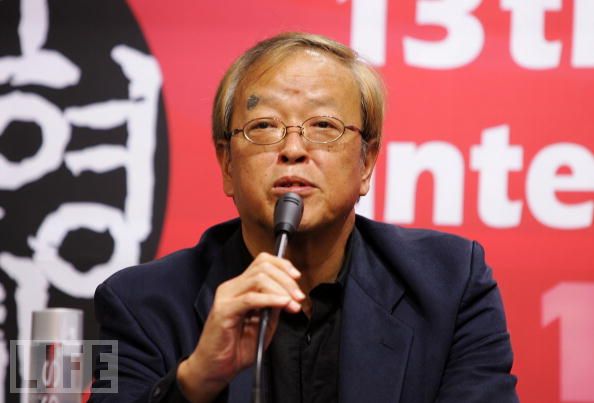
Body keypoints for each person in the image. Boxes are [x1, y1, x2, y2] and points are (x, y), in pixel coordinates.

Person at [90, 32, 519, 403]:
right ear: (227, 165)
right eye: (263, 126)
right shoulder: (135, 303)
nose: (293, 149)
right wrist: (196, 379)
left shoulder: (452, 284)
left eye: (323, 126)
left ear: (367, 162)